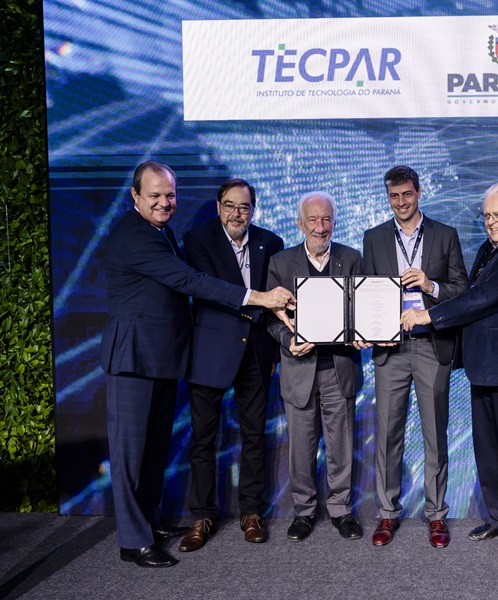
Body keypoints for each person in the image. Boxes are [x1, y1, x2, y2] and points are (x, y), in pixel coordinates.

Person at [100, 161, 294, 568]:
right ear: (135, 196)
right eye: (154, 195)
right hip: (133, 358)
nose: (164, 202)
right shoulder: (134, 236)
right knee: (130, 456)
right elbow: (189, 281)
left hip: (160, 359)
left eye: (170, 195)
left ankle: (149, 523)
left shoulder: (162, 232)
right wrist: (258, 297)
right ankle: (133, 542)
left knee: (153, 453)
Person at [400, 182, 498, 557]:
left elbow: (484, 297)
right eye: (486, 216)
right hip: (485, 366)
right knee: (489, 450)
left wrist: (429, 315)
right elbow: (472, 293)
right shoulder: (491, 247)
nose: (491, 222)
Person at [361, 166, 467, 548]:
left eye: (407, 194)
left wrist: (429, 284)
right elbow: (367, 291)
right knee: (388, 434)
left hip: (431, 346)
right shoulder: (373, 237)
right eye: (394, 196)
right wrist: (365, 329)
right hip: (390, 349)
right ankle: (387, 512)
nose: (401, 202)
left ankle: (436, 515)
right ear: (388, 197)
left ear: (419, 193)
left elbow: (462, 290)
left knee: (435, 435)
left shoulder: (445, 235)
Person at [177, 178, 284, 552]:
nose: (237, 213)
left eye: (244, 207)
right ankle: (202, 516)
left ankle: (251, 512)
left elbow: (275, 307)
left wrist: (274, 354)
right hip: (210, 351)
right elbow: (211, 289)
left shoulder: (270, 242)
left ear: (253, 209)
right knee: (204, 438)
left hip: (256, 352)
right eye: (230, 205)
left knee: (255, 435)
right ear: (218, 206)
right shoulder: (197, 240)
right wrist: (260, 299)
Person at [266, 191, 365, 543]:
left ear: (334, 222)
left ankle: (341, 510)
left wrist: (364, 332)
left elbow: (363, 309)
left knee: (341, 446)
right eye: (313, 220)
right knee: (300, 448)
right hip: (299, 368)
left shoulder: (351, 258)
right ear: (300, 224)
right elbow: (271, 319)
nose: (320, 227)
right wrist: (287, 339)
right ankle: (304, 512)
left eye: (326, 220)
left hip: (340, 369)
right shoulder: (280, 262)